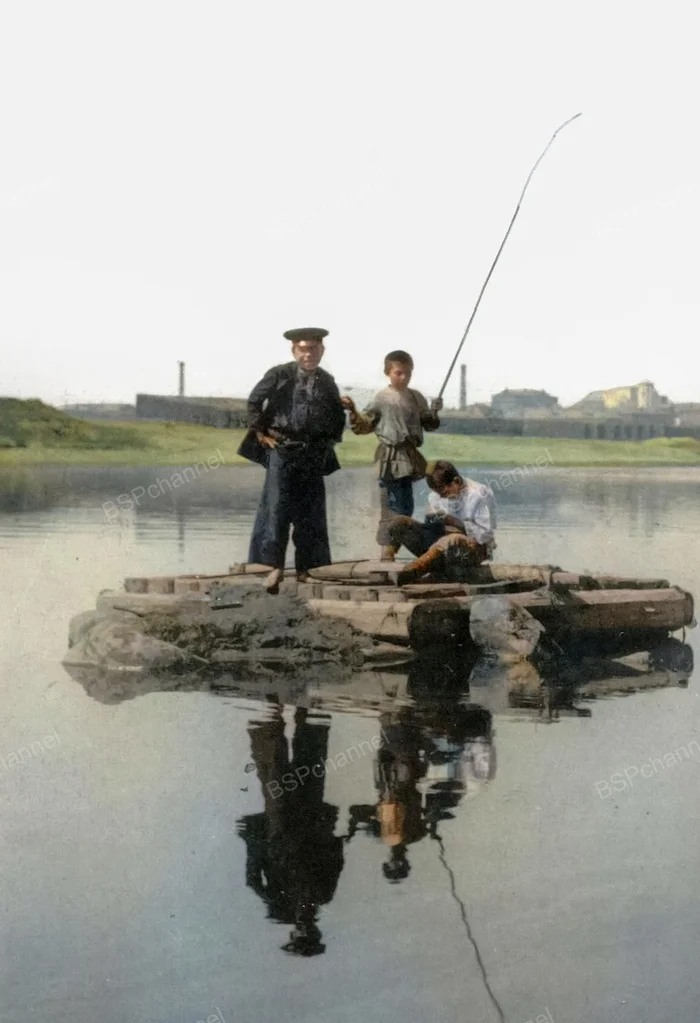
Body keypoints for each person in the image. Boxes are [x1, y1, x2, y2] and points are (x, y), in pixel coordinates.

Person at [238, 327, 346, 593]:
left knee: (311, 513)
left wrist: (329, 442)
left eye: (313, 349)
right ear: (294, 350)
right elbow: (254, 400)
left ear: (322, 350)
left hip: (312, 454)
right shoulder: (279, 374)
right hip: (281, 450)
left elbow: (336, 416)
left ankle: (308, 569)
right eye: (303, 349)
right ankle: (272, 568)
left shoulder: (327, 380)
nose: (308, 354)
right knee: (277, 510)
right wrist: (260, 433)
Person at [340, 350, 442, 559]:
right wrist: (352, 410)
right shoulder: (382, 398)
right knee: (393, 505)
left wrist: (434, 411)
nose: (403, 377)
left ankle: (391, 551)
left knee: (406, 506)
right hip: (389, 458)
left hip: (410, 458)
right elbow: (364, 425)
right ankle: (387, 552)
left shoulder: (416, 397)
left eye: (407, 373)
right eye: (398, 373)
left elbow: (429, 425)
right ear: (388, 372)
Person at [387, 459, 497, 583]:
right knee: (399, 523)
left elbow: (485, 535)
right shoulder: (436, 496)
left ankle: (410, 572)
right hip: (441, 545)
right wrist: (432, 519)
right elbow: (430, 527)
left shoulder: (479, 494)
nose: (442, 497)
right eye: (439, 494)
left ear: (457, 481)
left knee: (452, 539)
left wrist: (455, 523)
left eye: (445, 493)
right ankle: (396, 561)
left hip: (473, 549)